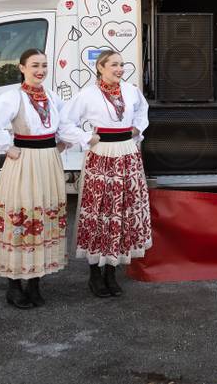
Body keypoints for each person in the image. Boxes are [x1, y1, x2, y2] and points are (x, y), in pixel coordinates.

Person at [0, 49, 77, 309]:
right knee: (22, 217)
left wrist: (66, 141)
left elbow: (65, 124)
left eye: (43, 65)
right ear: (21, 68)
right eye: (34, 65)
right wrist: (6, 147)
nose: (40, 70)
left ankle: (35, 282)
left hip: (48, 163)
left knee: (42, 218)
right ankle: (14, 285)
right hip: (24, 163)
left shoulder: (51, 97)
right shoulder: (13, 97)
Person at [61, 50, 151, 298]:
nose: (120, 69)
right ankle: (94, 275)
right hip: (101, 155)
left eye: (121, 64)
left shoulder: (131, 91)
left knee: (121, 212)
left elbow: (142, 112)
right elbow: (65, 121)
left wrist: (136, 129)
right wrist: (85, 138)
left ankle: (112, 273)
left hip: (127, 153)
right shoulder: (87, 94)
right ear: (100, 67)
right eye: (114, 64)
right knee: (99, 212)